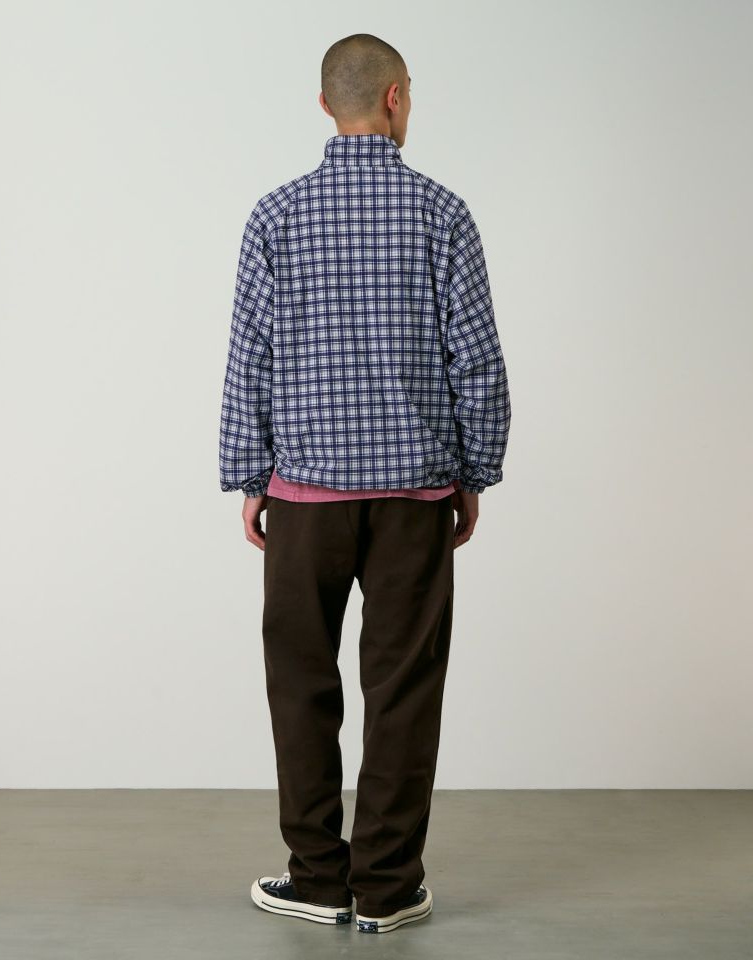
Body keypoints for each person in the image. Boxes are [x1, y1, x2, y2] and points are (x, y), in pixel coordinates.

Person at [218, 32, 511, 934]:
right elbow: (477, 363)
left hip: (305, 498)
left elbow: (250, 361)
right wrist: (474, 472)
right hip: (415, 499)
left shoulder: (275, 216)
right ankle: (385, 889)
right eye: (410, 92)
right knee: (403, 691)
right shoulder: (442, 213)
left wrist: (250, 477)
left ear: (324, 105)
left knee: (300, 685)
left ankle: (317, 877)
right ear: (393, 99)